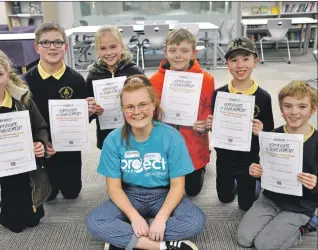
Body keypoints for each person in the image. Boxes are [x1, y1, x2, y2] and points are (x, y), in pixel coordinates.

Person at [86, 76, 205, 250]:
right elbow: (114, 188)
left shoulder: (172, 137)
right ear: (123, 110)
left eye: (143, 104)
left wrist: (161, 220)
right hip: (130, 194)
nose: (137, 111)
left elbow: (178, 186)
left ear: (153, 105)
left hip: (164, 194)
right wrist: (134, 217)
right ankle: (162, 246)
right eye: (130, 107)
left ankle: (128, 240)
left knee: (195, 220)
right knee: (95, 221)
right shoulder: (112, 140)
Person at [0, 47, 53, 233]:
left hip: (27, 172)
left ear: (8, 73)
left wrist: (41, 143)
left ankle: (29, 206)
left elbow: (40, 127)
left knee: (34, 220)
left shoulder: (22, 100)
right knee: (14, 225)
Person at [236, 80, 318, 250]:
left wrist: (315, 184)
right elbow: (265, 165)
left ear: (313, 110)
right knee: (243, 239)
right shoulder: (272, 136)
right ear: (281, 110)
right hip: (270, 199)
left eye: (302, 107)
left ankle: (304, 227)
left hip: (300, 206)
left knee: (264, 245)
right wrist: (256, 170)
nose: (294, 112)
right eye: (288, 106)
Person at [24, 23, 96, 201]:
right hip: (40, 149)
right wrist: (41, 142)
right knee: (48, 196)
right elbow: (23, 121)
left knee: (72, 193)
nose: (52, 47)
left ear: (65, 46)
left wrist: (89, 112)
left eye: (57, 42)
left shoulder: (76, 80)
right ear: (36, 47)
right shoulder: (25, 82)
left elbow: (81, 121)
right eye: (46, 43)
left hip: (68, 148)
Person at [206, 37, 275, 211]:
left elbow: (271, 132)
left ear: (256, 61)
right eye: (234, 60)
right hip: (224, 159)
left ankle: (256, 184)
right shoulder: (219, 94)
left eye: (246, 59)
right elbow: (217, 128)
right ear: (227, 64)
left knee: (246, 206)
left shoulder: (263, 97)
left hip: (249, 160)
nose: (240, 65)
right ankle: (234, 185)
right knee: (225, 199)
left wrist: (262, 131)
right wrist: (211, 124)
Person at [150, 28, 215, 196]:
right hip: (164, 145)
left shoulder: (206, 80)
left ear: (193, 53)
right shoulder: (154, 81)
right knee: (163, 190)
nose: (178, 55)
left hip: (194, 143)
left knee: (192, 191)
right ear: (165, 52)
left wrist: (205, 123)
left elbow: (209, 107)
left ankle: (201, 167)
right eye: (172, 50)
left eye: (184, 51)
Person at [86, 25, 144, 150]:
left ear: (122, 46)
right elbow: (87, 114)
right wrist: (92, 110)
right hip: (107, 135)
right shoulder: (93, 76)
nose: (109, 53)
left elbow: (148, 101)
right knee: (111, 167)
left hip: (133, 133)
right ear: (97, 50)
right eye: (103, 48)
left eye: (113, 47)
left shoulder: (134, 71)